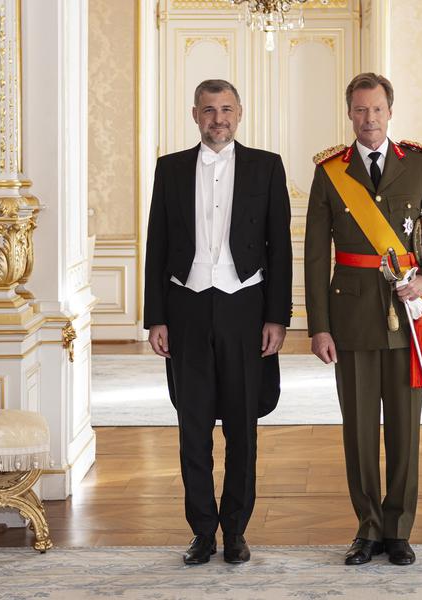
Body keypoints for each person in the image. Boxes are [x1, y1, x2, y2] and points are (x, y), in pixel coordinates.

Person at [304, 72, 422, 566]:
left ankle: (398, 530)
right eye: (360, 110)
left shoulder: (417, 164)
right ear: (349, 113)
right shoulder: (330, 171)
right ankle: (367, 529)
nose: (368, 119)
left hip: (406, 316)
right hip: (351, 317)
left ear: (389, 112)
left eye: (376, 109)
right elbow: (315, 255)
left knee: (403, 430)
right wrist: (319, 326)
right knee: (358, 431)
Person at [144, 79, 292, 565]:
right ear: (195, 115)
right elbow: (157, 245)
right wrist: (156, 318)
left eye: (226, 109)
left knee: (242, 428)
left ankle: (236, 530)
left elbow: (280, 247)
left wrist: (277, 317)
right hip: (185, 307)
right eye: (209, 110)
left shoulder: (266, 166)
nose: (218, 119)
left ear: (239, 113)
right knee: (193, 427)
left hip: (244, 307)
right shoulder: (169, 168)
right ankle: (202, 532)